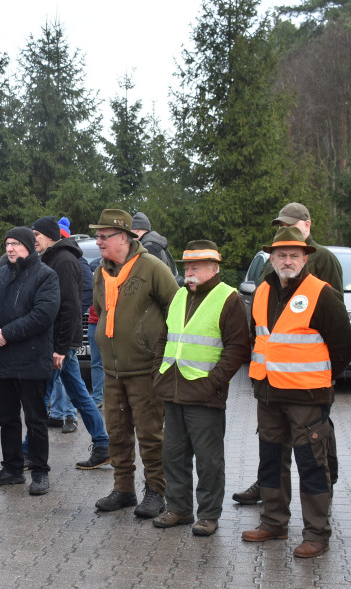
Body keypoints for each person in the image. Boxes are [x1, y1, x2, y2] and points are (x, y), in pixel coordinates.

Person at [240, 225, 351, 558]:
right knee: (271, 463)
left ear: (305, 258)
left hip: (308, 397)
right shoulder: (262, 290)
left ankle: (317, 534)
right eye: (281, 255)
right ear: (271, 258)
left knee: (312, 466)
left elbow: (343, 345)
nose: (287, 260)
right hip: (269, 395)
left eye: (294, 255)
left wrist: (324, 379)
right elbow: (257, 337)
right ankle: (273, 523)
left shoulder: (322, 293)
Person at [233, 202, 343, 505]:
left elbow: (337, 325)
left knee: (316, 442)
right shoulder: (273, 263)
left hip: (310, 381)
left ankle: (326, 484)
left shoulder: (325, 259)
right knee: (272, 446)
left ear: (307, 225)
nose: (285, 229)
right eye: (281, 225)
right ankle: (267, 492)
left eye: (291, 224)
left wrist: (326, 373)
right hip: (272, 382)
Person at [83, 209, 178, 518]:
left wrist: (161, 353)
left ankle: (156, 492)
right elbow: (101, 310)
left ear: (123, 238)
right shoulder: (101, 272)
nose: (98, 241)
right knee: (118, 433)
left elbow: (175, 310)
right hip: (112, 370)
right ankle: (123, 489)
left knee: (150, 434)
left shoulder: (152, 268)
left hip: (144, 369)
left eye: (103, 236)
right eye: (97, 236)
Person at [151, 241, 250, 536]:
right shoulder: (179, 296)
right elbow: (164, 338)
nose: (189, 271)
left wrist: (214, 382)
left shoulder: (228, 298)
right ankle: (179, 508)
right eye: (187, 267)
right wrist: (158, 373)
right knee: (173, 455)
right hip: (173, 388)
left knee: (208, 460)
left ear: (214, 267)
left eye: (196, 266)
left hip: (205, 393)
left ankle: (208, 514)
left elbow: (238, 348)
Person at [0, 226, 60, 495]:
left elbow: (42, 315)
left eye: (15, 243)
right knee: (7, 417)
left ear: (29, 246)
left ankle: (39, 471)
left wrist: (5, 333)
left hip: (32, 360)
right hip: (3, 360)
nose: (10, 248)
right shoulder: (0, 274)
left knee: (36, 419)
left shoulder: (46, 276)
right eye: (7, 244)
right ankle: (12, 469)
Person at [30, 216, 110, 464]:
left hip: (59, 345)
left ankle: (27, 451)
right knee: (78, 396)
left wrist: (62, 348)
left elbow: (70, 307)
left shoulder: (63, 261)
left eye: (36, 236)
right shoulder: (56, 258)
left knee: (41, 398)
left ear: (50, 236)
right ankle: (102, 444)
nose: (33, 242)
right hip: (59, 344)